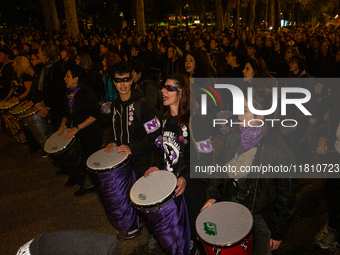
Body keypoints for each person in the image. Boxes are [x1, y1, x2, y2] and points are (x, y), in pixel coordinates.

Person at [201, 87, 296, 255]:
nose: (238, 115)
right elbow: (220, 168)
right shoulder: (233, 138)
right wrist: (213, 195)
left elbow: (286, 195)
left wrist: (278, 232)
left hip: (261, 217)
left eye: (244, 110)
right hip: (233, 207)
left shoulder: (279, 149)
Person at [144, 74, 206, 255]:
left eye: (169, 88)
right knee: (178, 233)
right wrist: (157, 165)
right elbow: (167, 151)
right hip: (171, 186)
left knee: (196, 231)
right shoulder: (164, 119)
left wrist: (185, 178)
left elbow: (205, 158)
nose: (162, 91)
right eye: (163, 87)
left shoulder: (196, 121)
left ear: (181, 93)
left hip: (191, 188)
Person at [105, 62, 161, 179]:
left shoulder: (143, 105)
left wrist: (132, 148)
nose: (122, 84)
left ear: (131, 81)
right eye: (118, 80)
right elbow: (114, 129)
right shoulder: (115, 105)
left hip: (142, 164)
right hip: (121, 162)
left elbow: (155, 135)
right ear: (114, 82)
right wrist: (112, 141)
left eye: (126, 79)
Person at [57, 65, 102, 196]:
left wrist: (78, 128)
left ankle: (89, 184)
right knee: (76, 157)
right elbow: (66, 112)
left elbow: (95, 114)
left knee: (87, 158)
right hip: (76, 131)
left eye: (68, 76)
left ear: (76, 79)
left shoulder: (86, 92)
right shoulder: (68, 93)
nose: (65, 79)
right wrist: (63, 124)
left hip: (89, 132)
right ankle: (78, 178)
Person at [315, 83, 340, 250]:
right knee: (333, 194)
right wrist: (324, 139)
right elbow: (332, 117)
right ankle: (334, 228)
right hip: (336, 153)